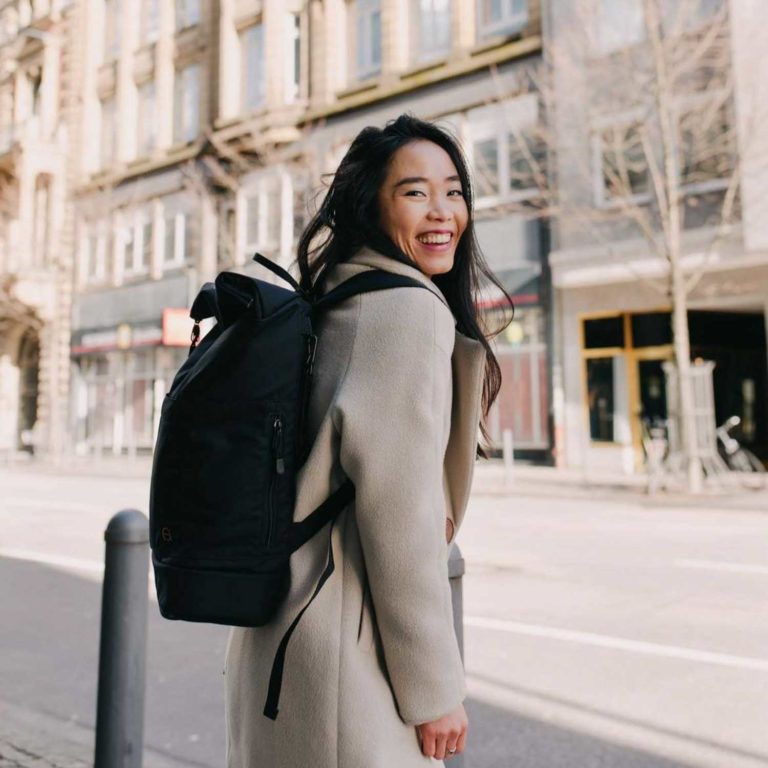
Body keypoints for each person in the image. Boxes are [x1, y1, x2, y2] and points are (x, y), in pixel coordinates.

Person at [224, 114, 512, 767]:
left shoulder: (337, 296)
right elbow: (400, 521)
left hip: (285, 635)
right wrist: (434, 691)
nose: (443, 212)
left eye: (454, 191)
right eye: (414, 192)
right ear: (372, 206)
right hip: (347, 667)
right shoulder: (404, 313)